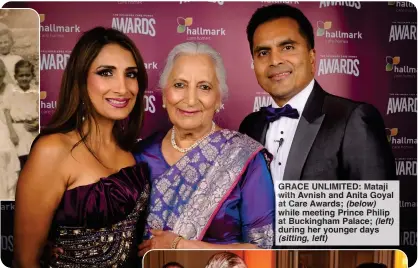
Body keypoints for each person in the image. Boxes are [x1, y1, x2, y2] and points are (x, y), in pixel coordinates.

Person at [13, 27, 150, 268]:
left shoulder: (130, 153)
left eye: (131, 74)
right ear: (80, 78)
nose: (123, 87)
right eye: (106, 72)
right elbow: (25, 261)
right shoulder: (53, 150)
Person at [136, 42, 275, 255]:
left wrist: (180, 246)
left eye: (204, 87)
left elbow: (263, 252)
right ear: (164, 94)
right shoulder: (140, 156)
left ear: (218, 98)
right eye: (180, 85)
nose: (190, 99)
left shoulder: (244, 158)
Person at [239, 4, 396, 181]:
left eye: (287, 47)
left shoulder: (353, 119)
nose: (274, 60)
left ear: (311, 58)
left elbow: (377, 206)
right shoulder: (249, 126)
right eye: (263, 52)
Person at [3, 60, 39, 168]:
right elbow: (6, 112)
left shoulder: (36, 91)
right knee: (21, 161)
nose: (24, 78)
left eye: (27, 75)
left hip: (33, 130)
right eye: (21, 75)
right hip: (18, 130)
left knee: (34, 158)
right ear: (15, 76)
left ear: (32, 75)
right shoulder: (11, 92)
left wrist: (37, 123)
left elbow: (40, 109)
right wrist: (12, 132)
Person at [0, 59, 20, 199]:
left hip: (9, 128)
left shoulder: (10, 89)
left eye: (0, 76)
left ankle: (9, 200)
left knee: (10, 163)